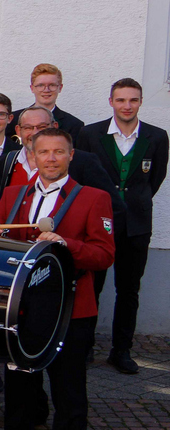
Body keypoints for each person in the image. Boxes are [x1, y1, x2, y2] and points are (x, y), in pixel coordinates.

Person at [0, 127, 115, 430]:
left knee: (68, 388)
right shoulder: (13, 193)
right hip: (22, 306)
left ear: (71, 156)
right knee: (20, 379)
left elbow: (104, 255)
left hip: (71, 308)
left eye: (59, 152)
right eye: (44, 152)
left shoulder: (94, 198)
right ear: (32, 156)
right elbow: (1, 249)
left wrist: (65, 243)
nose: (51, 158)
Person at [80, 78, 167, 375]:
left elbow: (153, 180)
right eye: (121, 100)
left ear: (141, 102)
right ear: (111, 102)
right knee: (92, 286)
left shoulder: (157, 137)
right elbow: (82, 178)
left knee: (129, 289)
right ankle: (85, 345)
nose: (127, 106)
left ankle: (121, 350)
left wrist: (132, 206)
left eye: (133, 100)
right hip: (97, 225)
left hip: (136, 226)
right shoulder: (90, 134)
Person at [28, 62, 85, 138]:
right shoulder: (15, 120)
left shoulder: (74, 125)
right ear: (32, 88)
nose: (46, 90)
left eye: (52, 85)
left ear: (60, 88)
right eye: (41, 85)